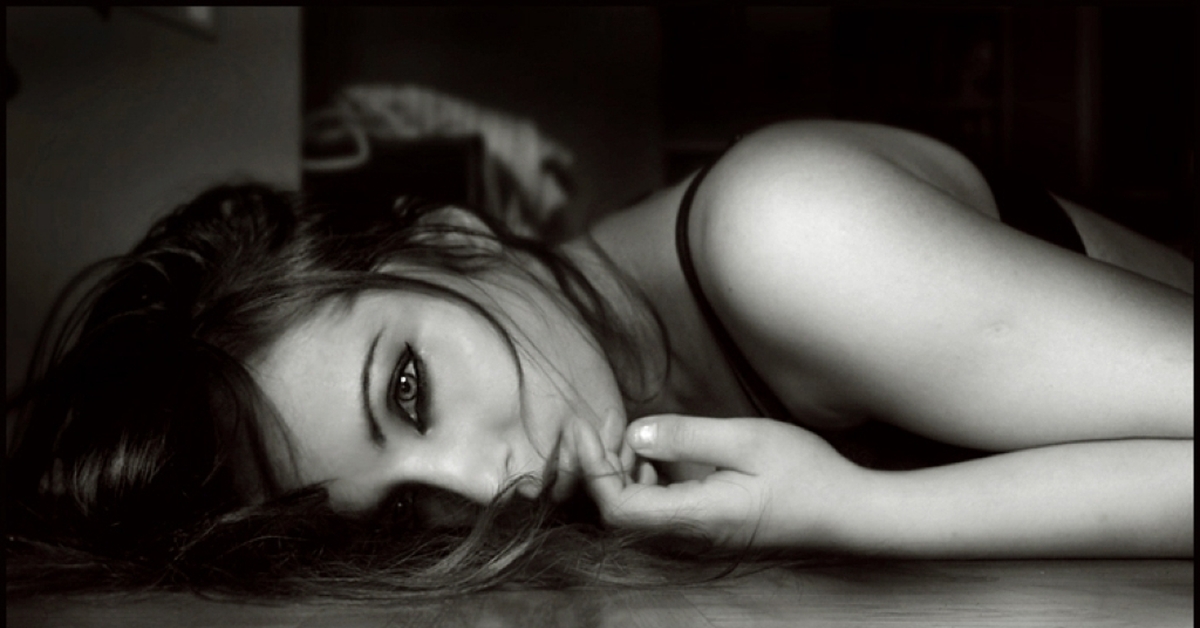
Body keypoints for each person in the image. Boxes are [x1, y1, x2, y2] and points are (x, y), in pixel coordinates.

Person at [6, 120, 1193, 599]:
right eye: (401, 513)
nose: (488, 484)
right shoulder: (636, 449)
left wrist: (860, 510)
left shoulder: (787, 234)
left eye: (409, 390)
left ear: (454, 240)